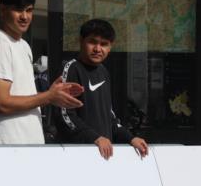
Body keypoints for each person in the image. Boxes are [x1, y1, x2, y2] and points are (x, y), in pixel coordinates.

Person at [0, 0, 82, 145]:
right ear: (3, 10)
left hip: (25, 147)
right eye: (18, 9)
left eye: (29, 10)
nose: (24, 16)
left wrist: (52, 95)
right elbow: (2, 103)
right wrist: (48, 96)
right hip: (6, 148)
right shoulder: (0, 45)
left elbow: (23, 95)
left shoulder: (23, 45)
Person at [55, 19, 149, 160]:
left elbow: (109, 116)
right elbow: (65, 115)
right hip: (77, 156)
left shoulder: (103, 71)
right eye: (93, 42)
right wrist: (95, 138)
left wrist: (130, 138)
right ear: (81, 41)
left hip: (102, 156)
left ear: (110, 47)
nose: (98, 49)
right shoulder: (71, 68)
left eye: (104, 44)